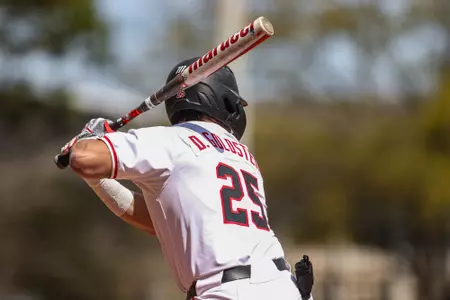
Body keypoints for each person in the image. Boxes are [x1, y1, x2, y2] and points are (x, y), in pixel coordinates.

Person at [59, 57, 313, 300]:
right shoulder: (241, 155)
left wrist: (89, 138)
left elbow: (85, 158)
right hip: (283, 288)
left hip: (228, 291)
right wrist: (97, 180)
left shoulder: (171, 140)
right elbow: (163, 223)